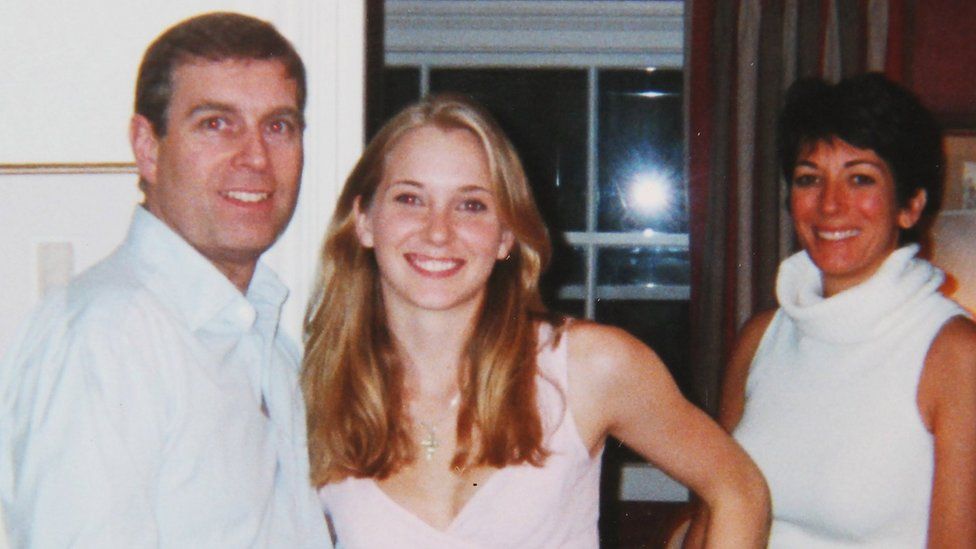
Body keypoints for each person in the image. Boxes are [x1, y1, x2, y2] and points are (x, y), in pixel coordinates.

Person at [302, 94, 770, 548]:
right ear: (363, 221)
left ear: (506, 234)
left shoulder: (586, 366)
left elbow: (739, 490)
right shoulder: (314, 390)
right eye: (410, 199)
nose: (438, 231)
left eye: (471, 205)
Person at [0, 13, 330, 547]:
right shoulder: (110, 338)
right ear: (148, 146)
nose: (255, 157)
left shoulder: (265, 341)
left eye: (278, 126)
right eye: (216, 123)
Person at [707, 73, 976, 546]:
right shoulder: (761, 337)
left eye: (860, 179)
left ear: (910, 206)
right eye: (810, 179)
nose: (831, 205)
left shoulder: (954, 354)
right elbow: (715, 512)